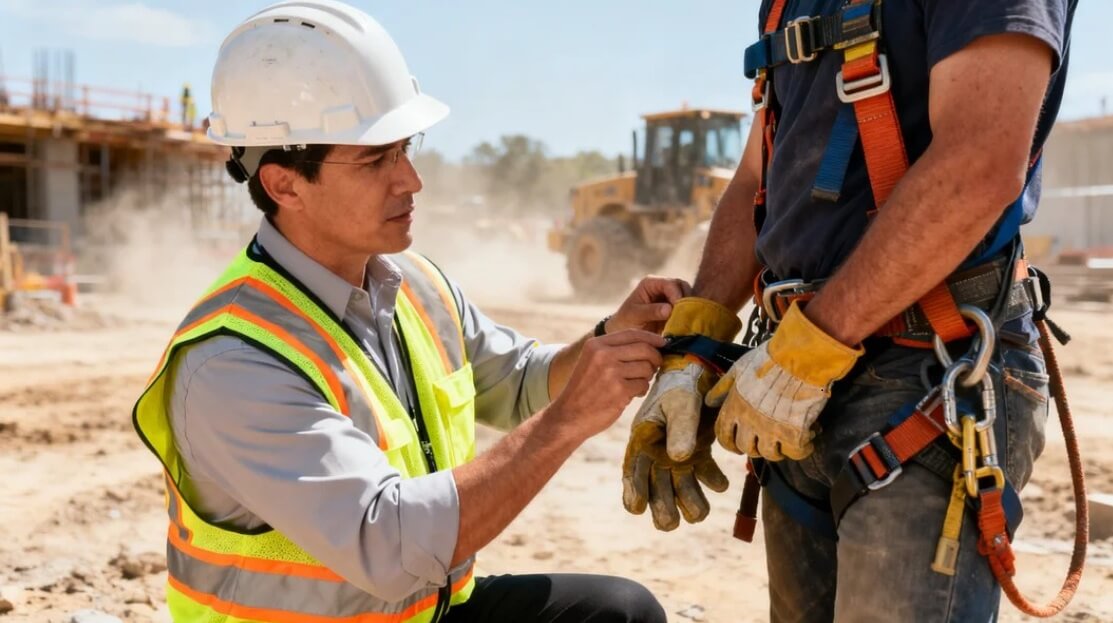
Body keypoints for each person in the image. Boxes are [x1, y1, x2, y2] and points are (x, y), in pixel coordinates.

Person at [132, 2, 671, 621]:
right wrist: (570, 421)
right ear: (284, 185)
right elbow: (388, 546)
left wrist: (613, 335)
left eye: (405, 149)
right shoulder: (233, 363)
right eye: (375, 160)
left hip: (422, 613)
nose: (411, 180)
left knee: (619, 613)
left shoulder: (415, 285)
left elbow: (521, 382)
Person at [622, 0, 1077, 621]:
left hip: (930, 371)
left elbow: (978, 162)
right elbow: (758, 174)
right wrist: (694, 347)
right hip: (797, 372)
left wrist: (809, 351)